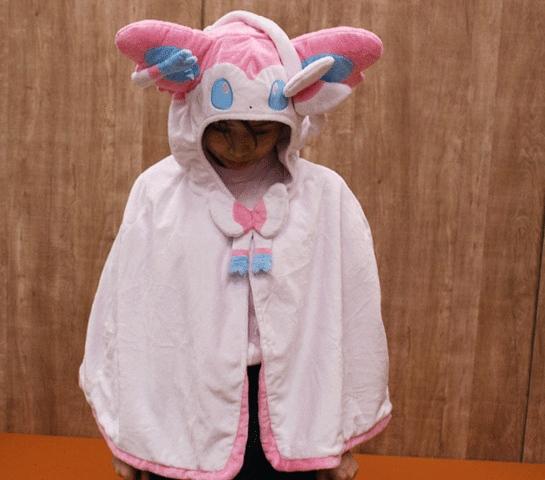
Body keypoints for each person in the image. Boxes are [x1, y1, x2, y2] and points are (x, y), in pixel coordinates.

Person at [80, 11, 391, 480]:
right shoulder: (158, 193)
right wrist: (133, 439)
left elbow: (352, 321)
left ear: (288, 121)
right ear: (196, 114)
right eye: (223, 127)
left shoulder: (325, 197)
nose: (240, 146)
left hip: (292, 400)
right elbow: (127, 322)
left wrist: (337, 440)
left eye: (260, 129)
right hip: (183, 400)